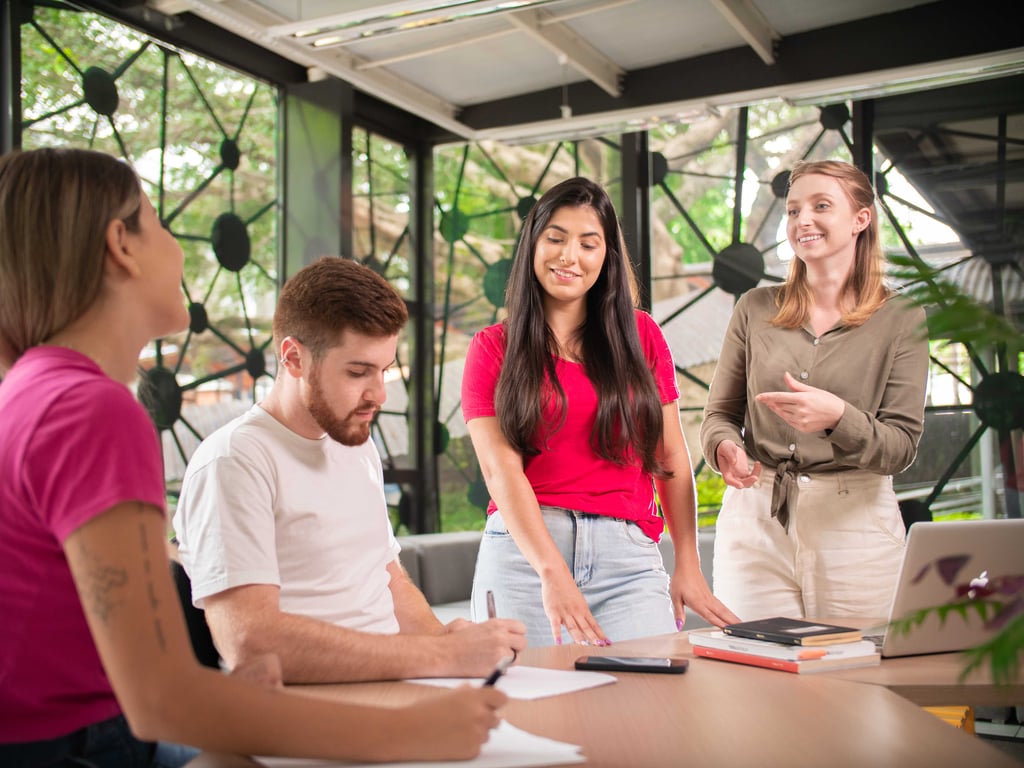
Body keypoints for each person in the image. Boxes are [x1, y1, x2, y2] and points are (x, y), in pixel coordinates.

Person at [0, 147, 506, 767]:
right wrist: (409, 732)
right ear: (121, 245)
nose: (178, 249)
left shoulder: (34, 391)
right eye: (158, 223)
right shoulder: (94, 412)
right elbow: (160, 697)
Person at [173, 256, 526, 683]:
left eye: (384, 371)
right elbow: (250, 642)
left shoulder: (354, 444)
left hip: (392, 687)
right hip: (314, 710)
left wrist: (449, 645)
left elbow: (387, 576)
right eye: (358, 372)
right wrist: (439, 656)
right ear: (293, 358)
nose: (378, 394)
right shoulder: (235, 462)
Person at [462, 176, 740, 648]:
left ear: (605, 258)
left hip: (627, 560)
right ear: (532, 245)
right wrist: (551, 570)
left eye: (588, 244)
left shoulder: (642, 336)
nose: (570, 256)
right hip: (523, 558)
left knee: (648, 709)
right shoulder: (493, 348)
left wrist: (687, 563)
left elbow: (670, 455)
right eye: (555, 238)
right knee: (528, 715)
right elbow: (499, 469)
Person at [700, 159, 930, 622]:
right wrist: (723, 447)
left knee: (857, 685)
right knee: (760, 680)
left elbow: (901, 448)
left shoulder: (902, 318)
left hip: (856, 526)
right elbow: (719, 414)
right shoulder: (754, 308)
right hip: (755, 521)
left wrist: (837, 419)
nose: (802, 220)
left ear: (860, 219)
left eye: (821, 206)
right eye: (793, 210)